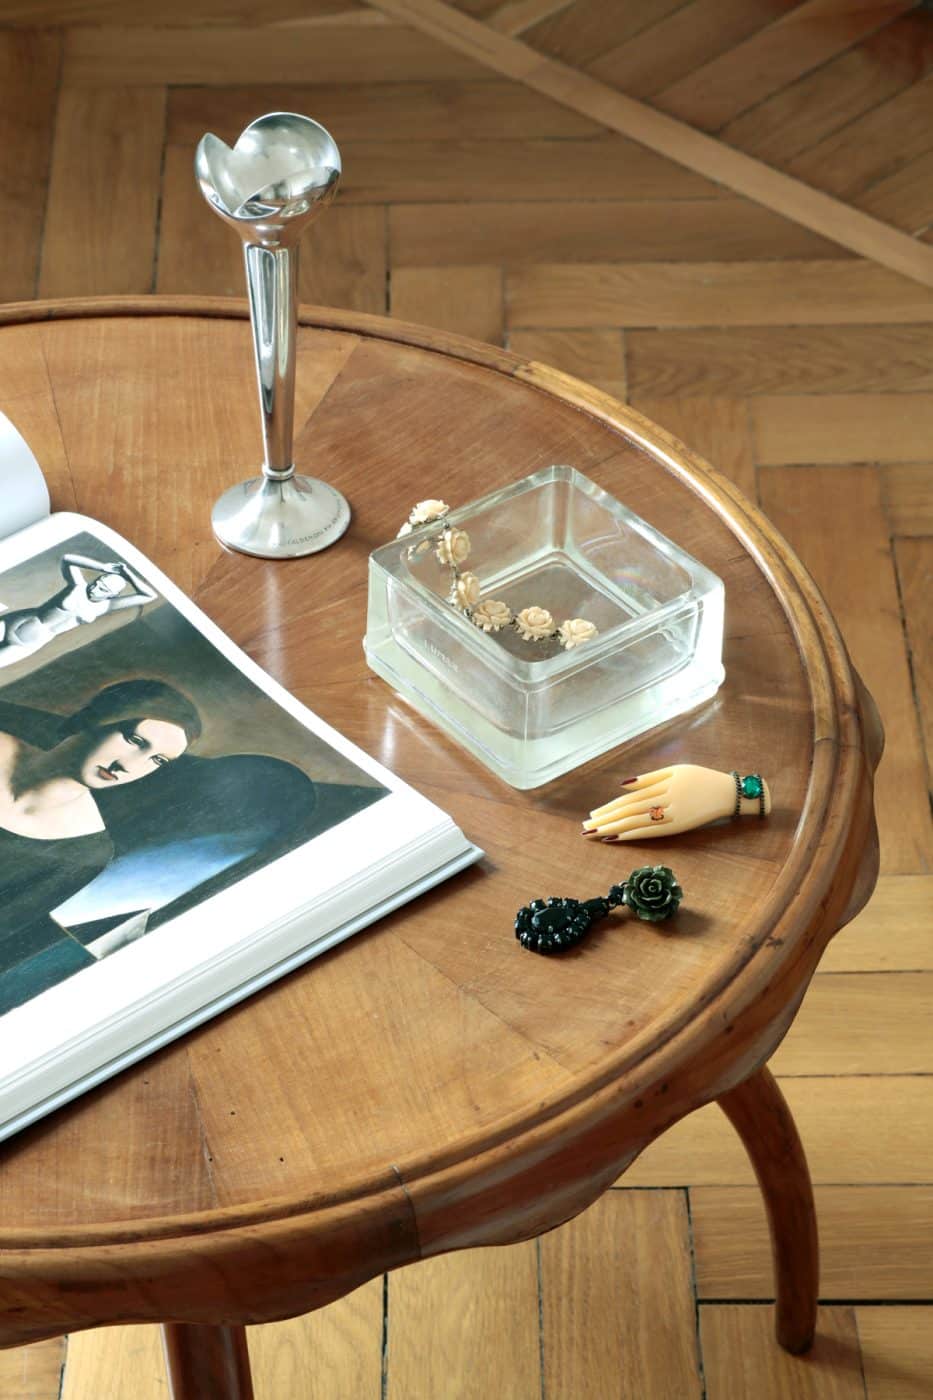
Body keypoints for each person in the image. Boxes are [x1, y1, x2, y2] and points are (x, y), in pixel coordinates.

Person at [0, 679, 201, 1013]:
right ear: (99, 719)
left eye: (157, 760)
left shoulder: (88, 851)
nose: (131, 764)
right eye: (135, 740)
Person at [0, 552, 157, 669]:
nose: (95, 587)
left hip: (28, 643)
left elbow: (149, 595)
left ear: (112, 594)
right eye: (97, 582)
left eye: (103, 588)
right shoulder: (79, 586)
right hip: (18, 621)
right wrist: (103, 567)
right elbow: (67, 558)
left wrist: (128, 574)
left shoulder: (107, 606)